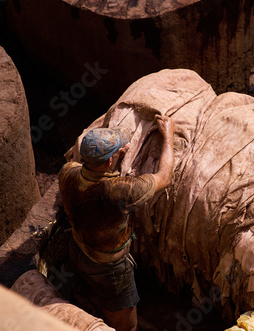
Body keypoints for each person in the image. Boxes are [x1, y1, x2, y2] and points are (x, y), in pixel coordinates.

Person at [58, 114, 175, 331]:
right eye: (119, 149)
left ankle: (90, 303)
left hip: (77, 249)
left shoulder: (68, 172)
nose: (126, 147)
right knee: (126, 327)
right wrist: (168, 135)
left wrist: (112, 155)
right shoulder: (119, 191)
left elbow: (93, 171)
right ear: (109, 161)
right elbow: (165, 177)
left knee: (88, 287)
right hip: (109, 270)